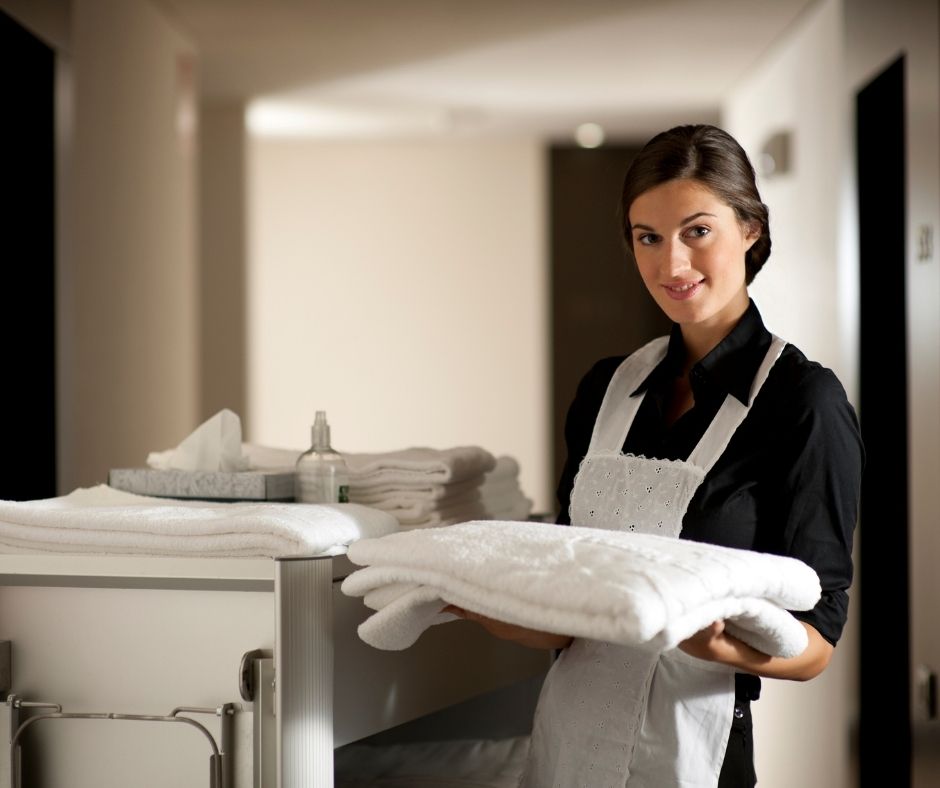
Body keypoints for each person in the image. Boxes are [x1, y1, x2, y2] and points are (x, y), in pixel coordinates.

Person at [446, 123, 864, 787]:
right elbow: (572, 606)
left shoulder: (802, 401)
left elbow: (816, 644)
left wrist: (716, 644)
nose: (672, 265)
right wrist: (490, 604)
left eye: (697, 231)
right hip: (567, 743)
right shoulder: (606, 389)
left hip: (695, 752)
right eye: (648, 237)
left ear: (750, 229)